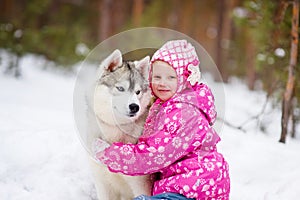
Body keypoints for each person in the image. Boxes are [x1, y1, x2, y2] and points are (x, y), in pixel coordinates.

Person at [93, 40, 230, 200]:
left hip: (194, 188)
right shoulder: (167, 105)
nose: (162, 83)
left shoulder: (183, 112)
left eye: (170, 77)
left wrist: (111, 154)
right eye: (157, 76)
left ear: (185, 79)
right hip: (187, 185)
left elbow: (152, 155)